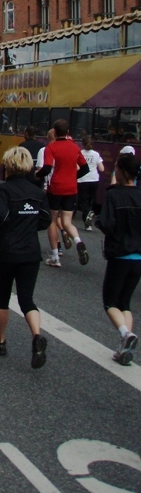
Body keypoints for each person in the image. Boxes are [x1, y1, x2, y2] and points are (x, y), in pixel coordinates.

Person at [0, 146, 52, 368]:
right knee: (27, 299)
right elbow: (45, 220)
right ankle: (35, 335)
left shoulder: (2, 191)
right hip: (30, 252)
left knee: (2, 297)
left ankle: (1, 340)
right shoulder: (38, 192)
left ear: (8, 166)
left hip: (6, 251)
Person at [96, 153, 141, 366]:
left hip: (120, 254)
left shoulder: (114, 195)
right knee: (125, 302)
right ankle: (124, 347)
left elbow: (107, 224)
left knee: (110, 302)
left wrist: (97, 221)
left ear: (121, 172)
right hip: (139, 257)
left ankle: (125, 334)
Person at [37, 119, 90, 268]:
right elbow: (85, 169)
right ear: (68, 132)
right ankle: (78, 240)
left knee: (52, 220)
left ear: (54, 132)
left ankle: (55, 257)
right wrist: (73, 177)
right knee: (67, 221)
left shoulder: (51, 148)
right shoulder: (75, 148)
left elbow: (47, 168)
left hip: (56, 187)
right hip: (71, 188)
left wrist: (37, 175)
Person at [77, 136, 104, 231]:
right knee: (90, 200)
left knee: (83, 201)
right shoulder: (96, 154)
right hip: (94, 179)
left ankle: (88, 213)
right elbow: (102, 169)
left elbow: (77, 167)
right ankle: (88, 224)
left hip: (82, 179)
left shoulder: (80, 153)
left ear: (83, 144)